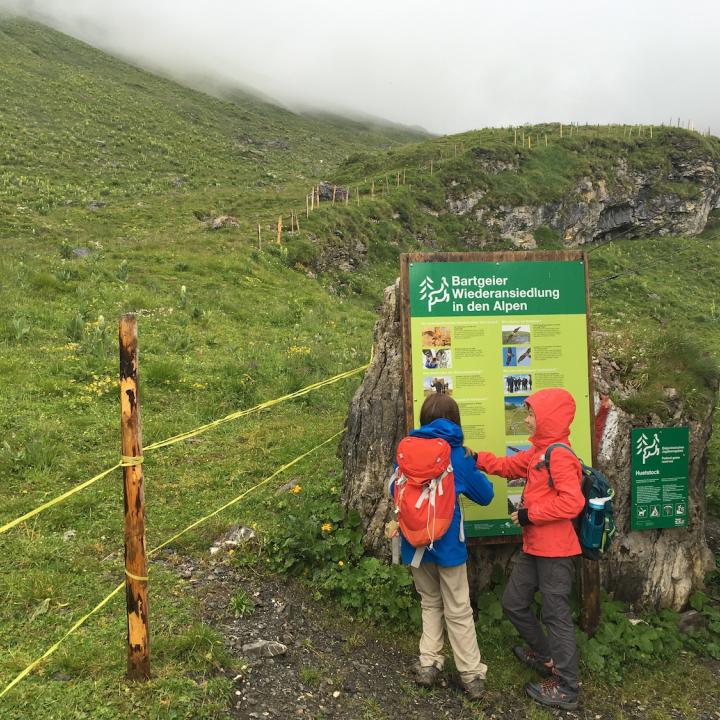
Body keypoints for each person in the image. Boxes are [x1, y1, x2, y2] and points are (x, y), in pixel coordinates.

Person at [474, 388, 585, 711]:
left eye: (532, 414)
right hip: (535, 546)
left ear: (547, 419)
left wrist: (529, 515)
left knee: (555, 614)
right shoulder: (539, 452)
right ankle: (546, 655)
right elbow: (508, 466)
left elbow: (572, 502)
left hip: (556, 550)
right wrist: (475, 458)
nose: (526, 419)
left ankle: (567, 686)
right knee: (513, 603)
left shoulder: (559, 455)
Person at [392, 394, 494, 699]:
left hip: (415, 544)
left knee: (430, 602)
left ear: (424, 419)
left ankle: (429, 663)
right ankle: (471, 674)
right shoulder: (457, 455)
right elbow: (486, 495)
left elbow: (392, 487)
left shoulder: (407, 449)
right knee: (459, 607)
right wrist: (471, 461)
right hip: (448, 546)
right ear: (455, 420)